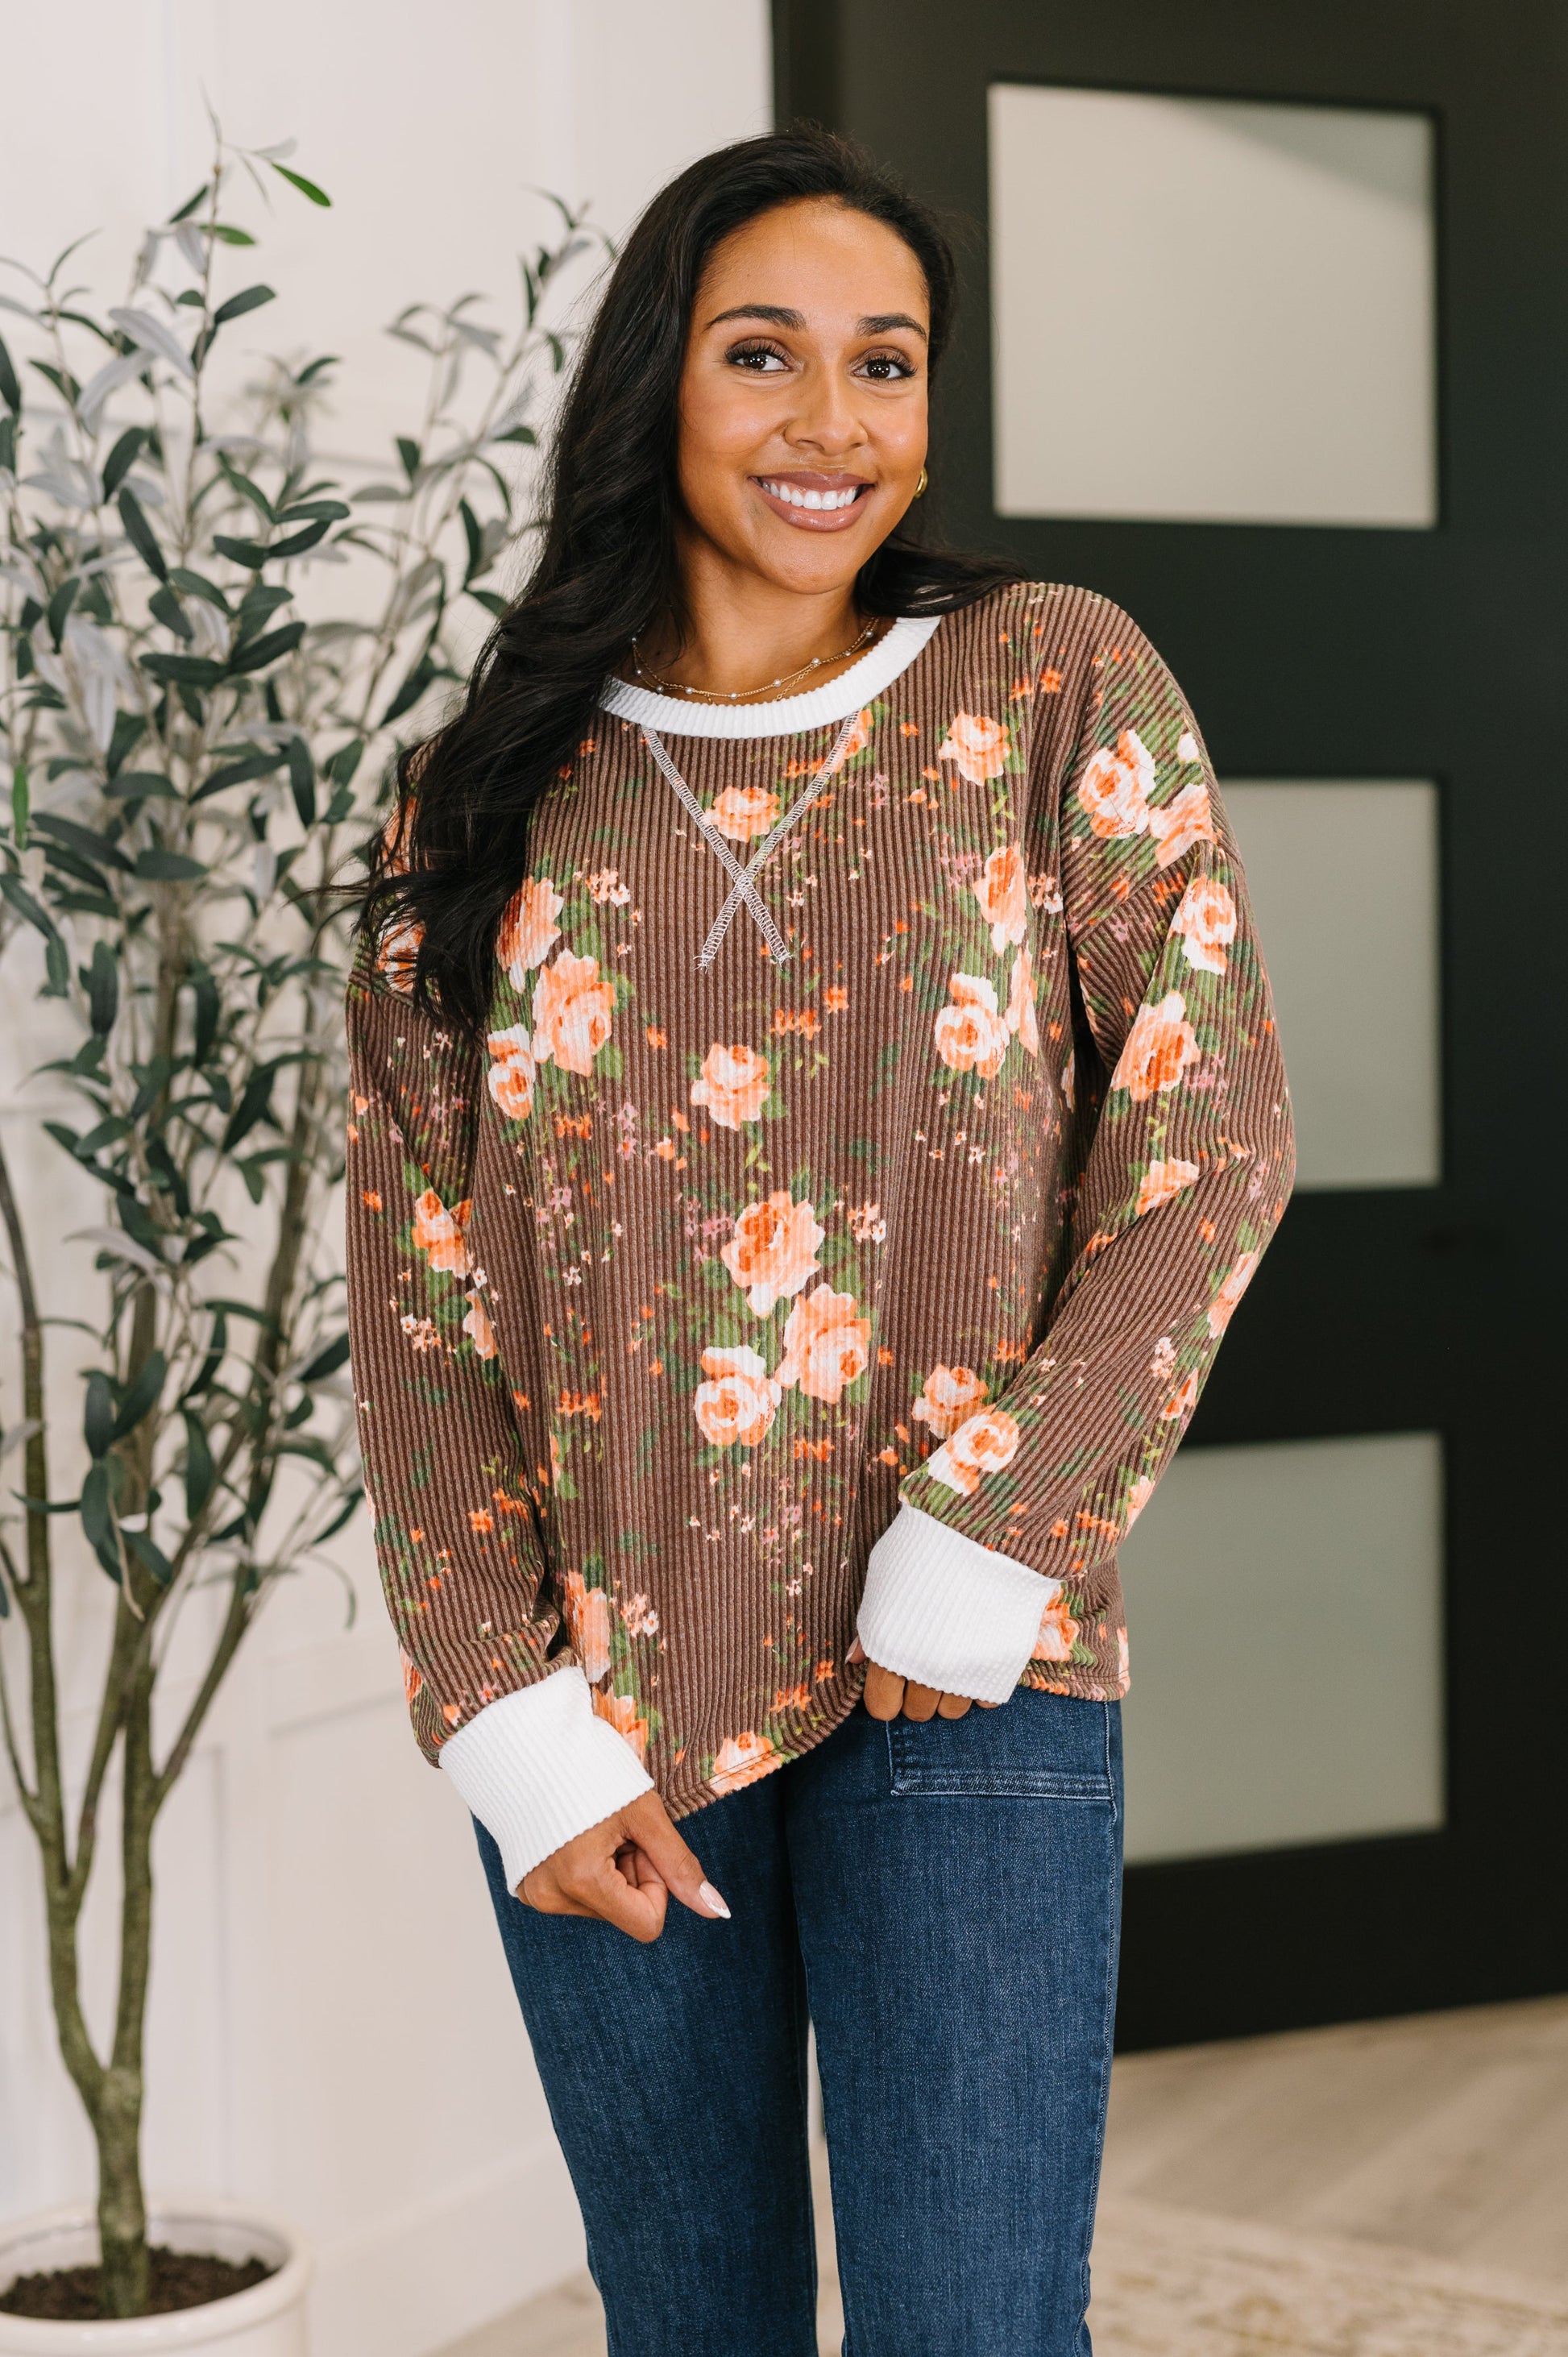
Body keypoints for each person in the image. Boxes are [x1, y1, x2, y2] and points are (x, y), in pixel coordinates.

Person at [346, 127, 1295, 2357]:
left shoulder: (1048, 679)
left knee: (977, 2327)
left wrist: (994, 1534)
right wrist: (505, 1717)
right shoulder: (480, 793)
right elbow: (412, 1301)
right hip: (606, 1701)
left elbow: (1211, 1134)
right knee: (690, 2328)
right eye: (762, 355)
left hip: (960, 1677)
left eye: (887, 364)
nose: (831, 424)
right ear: (650, 386)